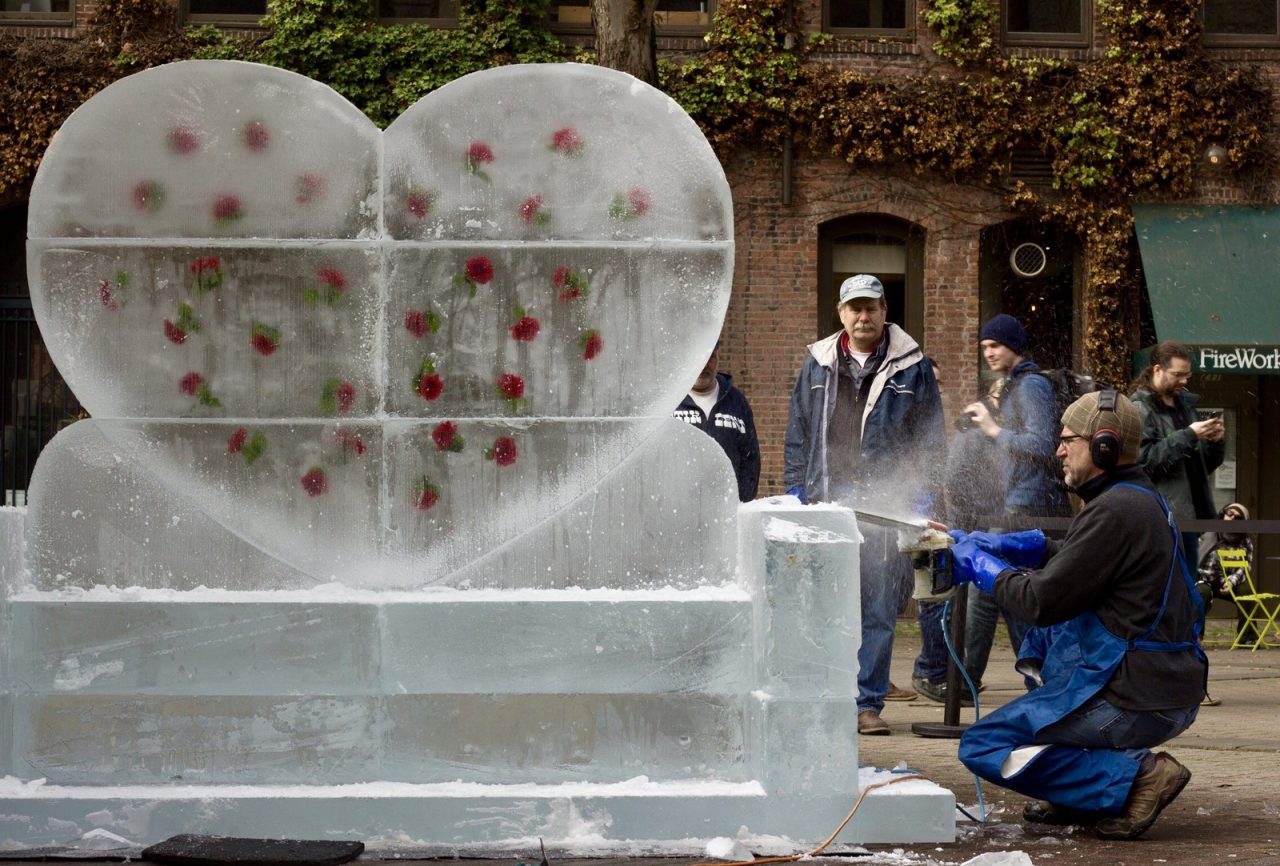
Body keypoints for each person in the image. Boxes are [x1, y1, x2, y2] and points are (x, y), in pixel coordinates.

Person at [948, 390, 1206, 840]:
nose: (1059, 450)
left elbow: (1041, 602)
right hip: (1160, 687)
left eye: (1069, 439)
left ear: (1103, 445)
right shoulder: (1136, 499)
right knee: (1046, 689)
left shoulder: (1116, 509)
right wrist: (1016, 545)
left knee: (983, 743)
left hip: (1134, 697)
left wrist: (982, 566)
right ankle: (1081, 795)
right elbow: (1080, 562)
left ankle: (1138, 776)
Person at [783, 274, 944, 735]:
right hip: (826, 499)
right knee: (823, 604)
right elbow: (798, 431)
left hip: (883, 503)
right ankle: (826, 696)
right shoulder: (817, 363)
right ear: (841, 314)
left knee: (876, 606)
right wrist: (797, 488)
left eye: (870, 307)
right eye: (854, 308)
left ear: (884, 310)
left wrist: (921, 496)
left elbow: (931, 438)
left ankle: (866, 704)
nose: (863, 316)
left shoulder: (911, 366)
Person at [915, 314, 1066, 705]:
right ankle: (1031, 681)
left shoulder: (1032, 386)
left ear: (1015, 345)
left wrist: (992, 429)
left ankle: (980, 682)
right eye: (984, 347)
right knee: (1000, 593)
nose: (989, 353)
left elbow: (1041, 445)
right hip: (1014, 503)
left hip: (1029, 505)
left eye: (995, 345)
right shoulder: (1015, 387)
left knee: (998, 591)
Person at [1130, 340, 1226, 574]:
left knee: (1188, 588)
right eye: (1178, 374)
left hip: (1190, 515)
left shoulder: (1185, 406)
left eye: (1187, 375)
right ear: (1157, 369)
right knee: (1172, 588)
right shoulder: (1140, 408)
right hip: (1162, 517)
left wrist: (1215, 443)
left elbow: (1201, 466)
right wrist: (1189, 434)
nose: (1184, 381)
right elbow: (1145, 463)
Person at [673, 342, 760, 502]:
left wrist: (741, 500)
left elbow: (750, 458)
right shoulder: (670, 402)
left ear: (718, 357)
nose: (704, 364)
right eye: (698, 358)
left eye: (710, 357)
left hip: (727, 510)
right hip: (679, 511)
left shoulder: (736, 401)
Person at [1197, 502, 1256, 656]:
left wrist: (1230, 582)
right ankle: (1196, 637)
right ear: (1223, 514)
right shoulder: (1209, 535)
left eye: (1238, 517)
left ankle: (1248, 638)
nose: (1232, 518)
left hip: (1231, 580)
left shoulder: (1245, 541)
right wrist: (1216, 579)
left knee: (1247, 592)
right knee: (1199, 592)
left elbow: (1244, 568)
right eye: (1230, 513)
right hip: (1207, 578)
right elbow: (1200, 564)